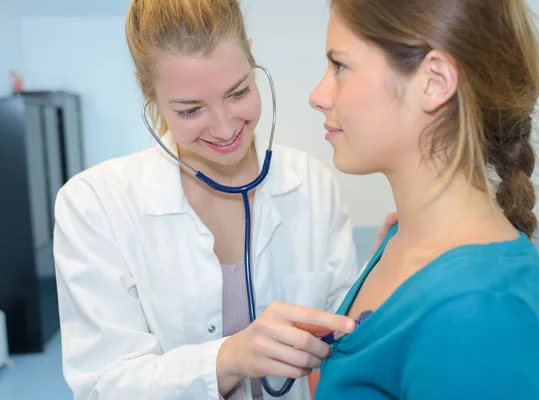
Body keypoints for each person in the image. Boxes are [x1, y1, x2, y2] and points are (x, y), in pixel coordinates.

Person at [52, 1, 395, 399]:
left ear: (251, 58)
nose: (225, 127)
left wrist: (377, 280)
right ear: (149, 92)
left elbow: (335, 330)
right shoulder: (95, 205)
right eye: (191, 109)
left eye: (238, 93)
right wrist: (229, 358)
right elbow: (103, 386)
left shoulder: (310, 183)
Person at [309, 0, 539, 399]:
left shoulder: (479, 314)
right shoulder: (401, 239)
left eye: (340, 66)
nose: (318, 95)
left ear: (434, 81)